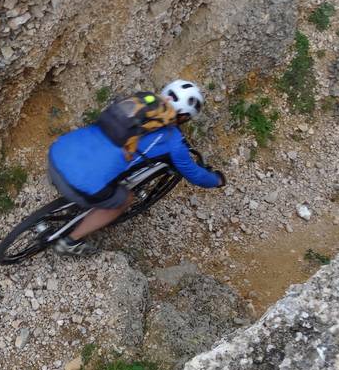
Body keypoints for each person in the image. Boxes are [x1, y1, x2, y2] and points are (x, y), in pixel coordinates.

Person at [47, 79, 226, 256]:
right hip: (75, 184)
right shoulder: (173, 142)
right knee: (125, 199)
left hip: (56, 155)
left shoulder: (137, 103)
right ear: (185, 116)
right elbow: (195, 174)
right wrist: (216, 180)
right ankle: (70, 242)